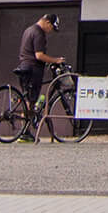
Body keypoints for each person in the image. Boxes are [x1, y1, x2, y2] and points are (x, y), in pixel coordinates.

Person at [14, 12, 65, 140]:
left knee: (27, 100)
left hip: (24, 66)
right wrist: (55, 60)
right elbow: (39, 55)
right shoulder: (39, 33)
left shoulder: (28, 30)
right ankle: (25, 133)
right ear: (47, 22)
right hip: (33, 68)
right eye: (52, 28)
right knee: (31, 100)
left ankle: (25, 131)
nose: (51, 31)